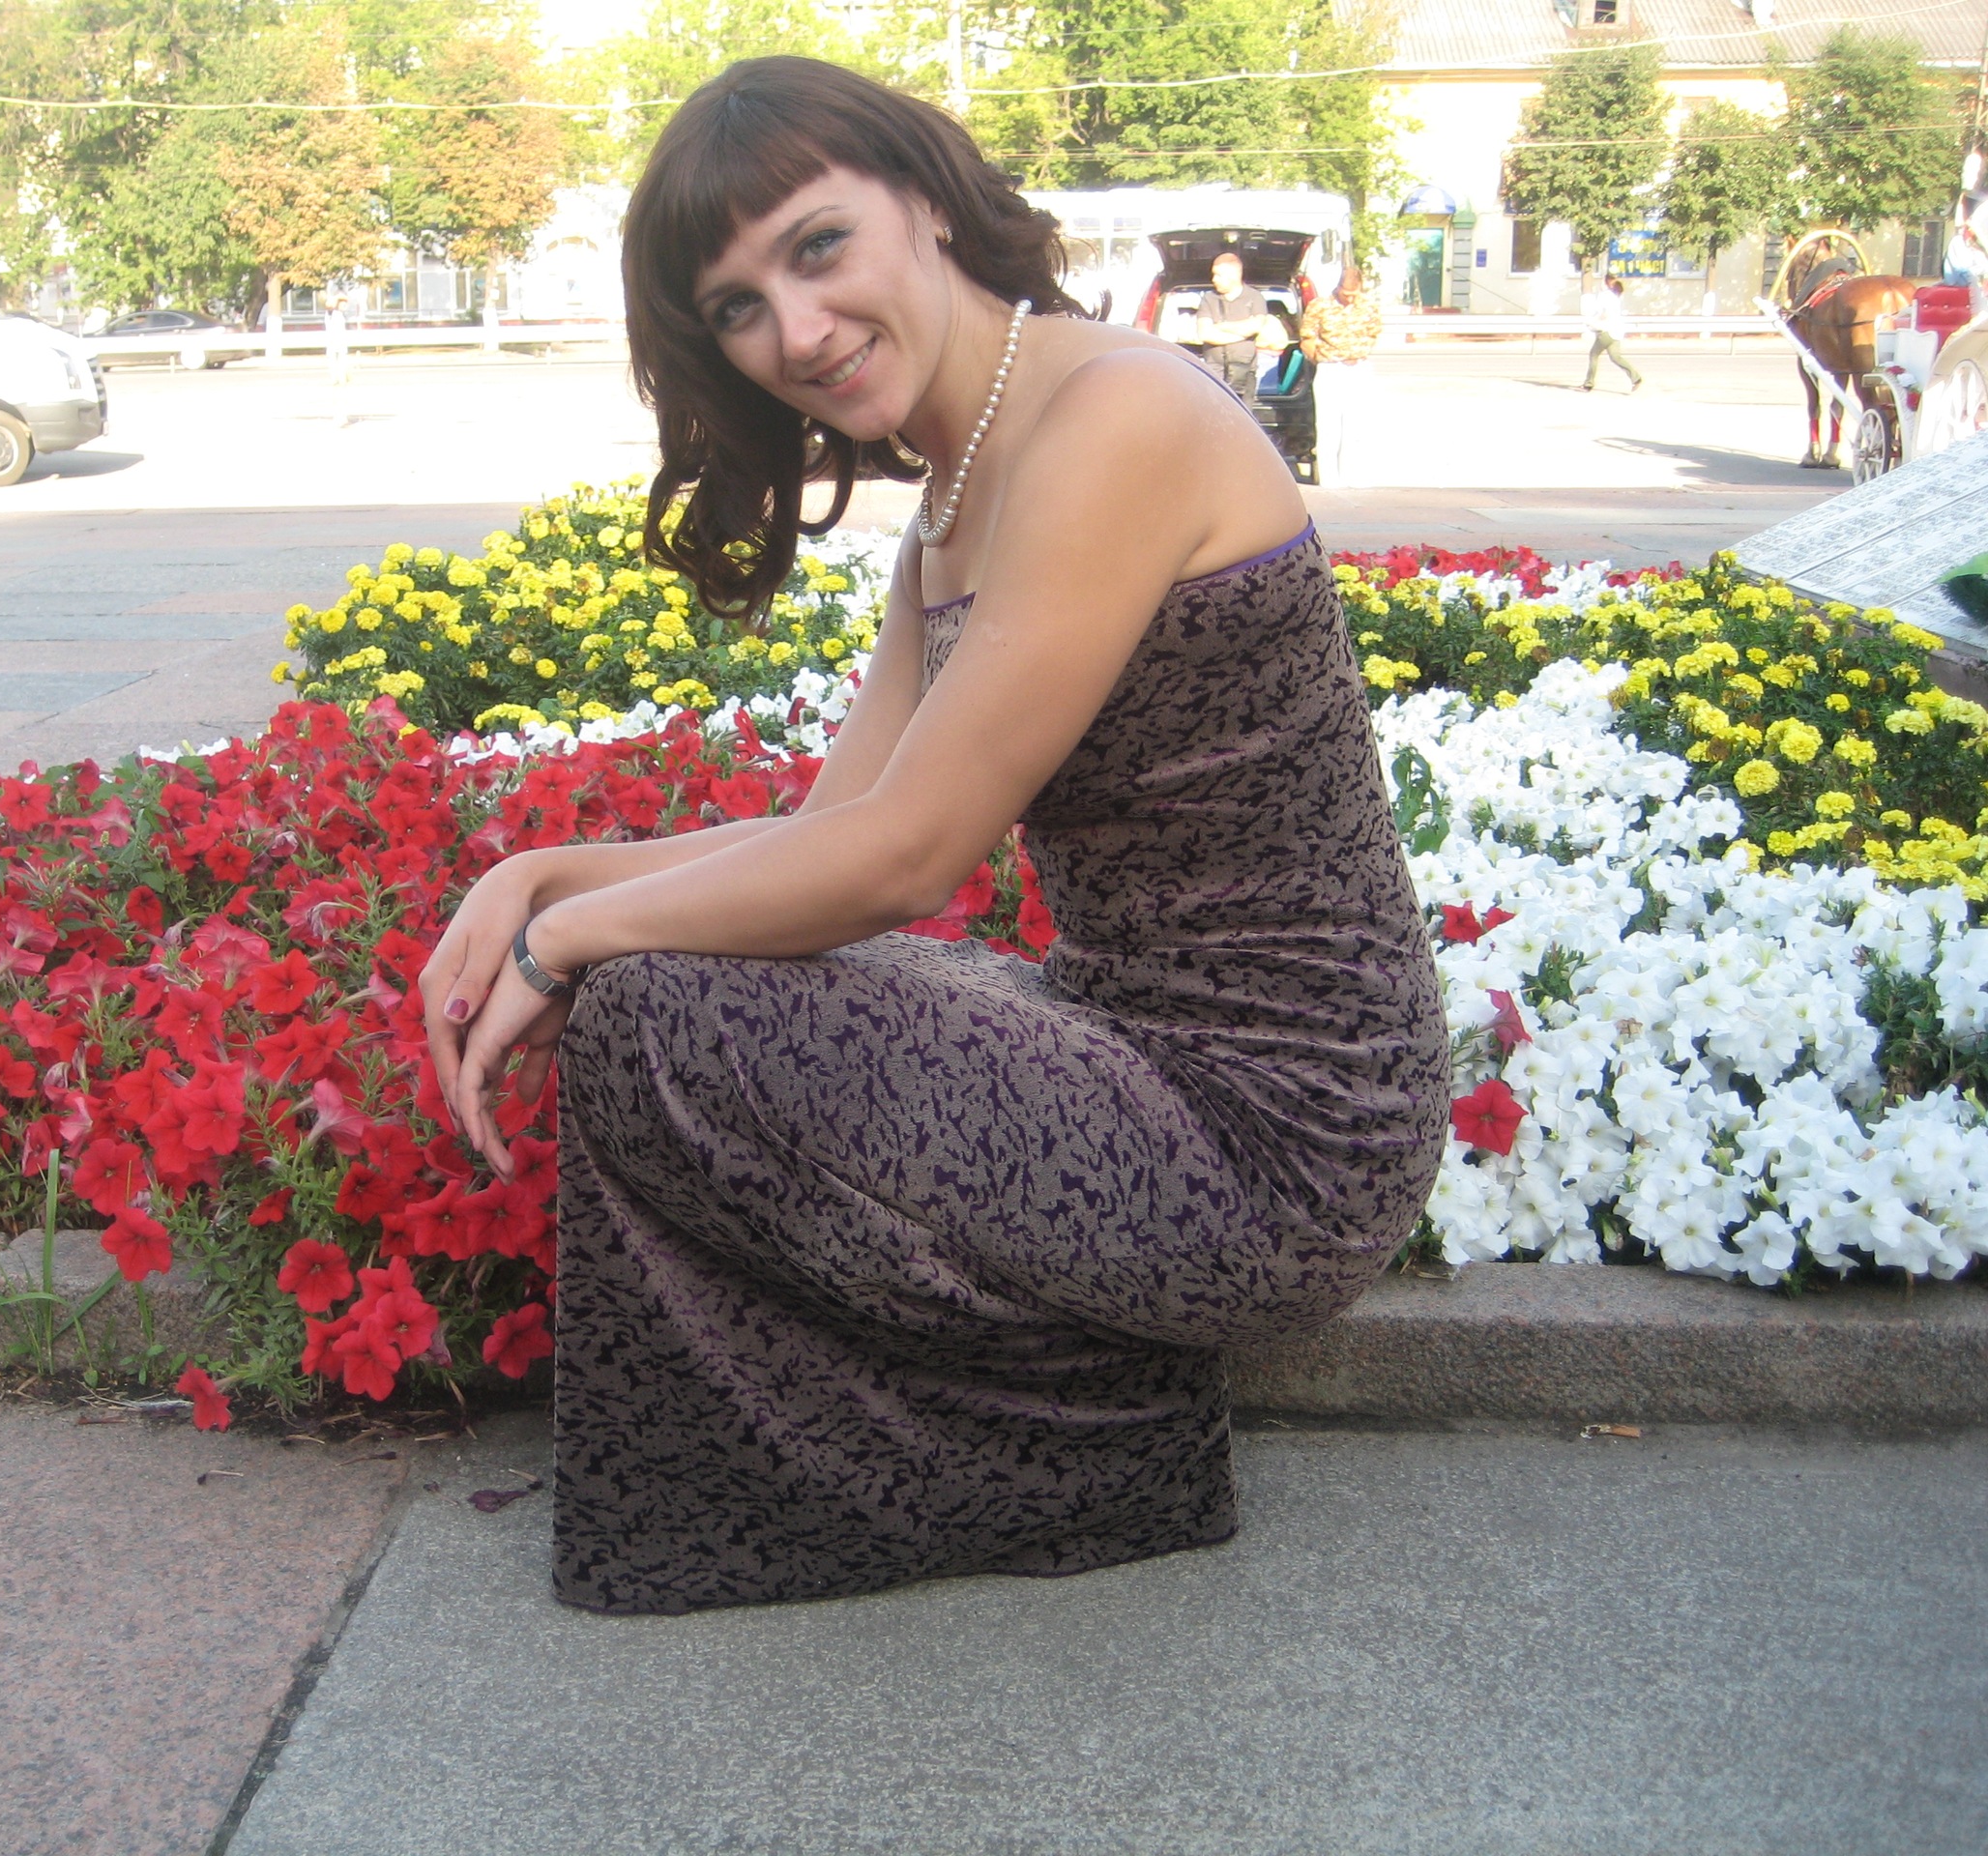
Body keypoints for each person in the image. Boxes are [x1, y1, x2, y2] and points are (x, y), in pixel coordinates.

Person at [414, 56, 1450, 1617]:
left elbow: (907, 864)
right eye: (740, 307)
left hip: (1280, 1143)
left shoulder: (1117, 417)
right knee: (671, 981)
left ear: (929, 201)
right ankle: (1027, 1434)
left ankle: (1088, 1452)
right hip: (1138, 1054)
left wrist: (568, 940)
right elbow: (839, 830)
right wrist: (537, 874)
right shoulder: (958, 497)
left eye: (817, 248)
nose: (796, 331)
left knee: (657, 1010)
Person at [1297, 265, 1382, 487]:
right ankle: (1330, 479)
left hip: (1358, 367)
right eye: (1346, 294)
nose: (1349, 298)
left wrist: (1360, 352)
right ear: (1338, 287)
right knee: (1328, 425)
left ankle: (1353, 476)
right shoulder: (1320, 306)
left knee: (1356, 425)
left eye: (1354, 294)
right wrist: (1319, 358)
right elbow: (1307, 338)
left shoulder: (1369, 306)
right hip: (1330, 367)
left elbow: (1374, 333)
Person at [1190, 249, 1286, 408]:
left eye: (1218, 275)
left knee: (1243, 416)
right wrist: (1243, 333)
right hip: (1214, 371)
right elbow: (1205, 334)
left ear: (1234, 276)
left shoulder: (1255, 297)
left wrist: (1223, 326)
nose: (1214, 279)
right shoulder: (1209, 299)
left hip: (1245, 371)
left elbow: (1256, 326)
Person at [1580, 273, 1643, 393]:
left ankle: (1588, 384)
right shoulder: (1616, 297)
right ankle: (1636, 378)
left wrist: (1591, 322)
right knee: (1615, 357)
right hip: (1617, 332)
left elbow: (1603, 314)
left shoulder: (1605, 296)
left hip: (1606, 331)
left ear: (1606, 282)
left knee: (1593, 355)